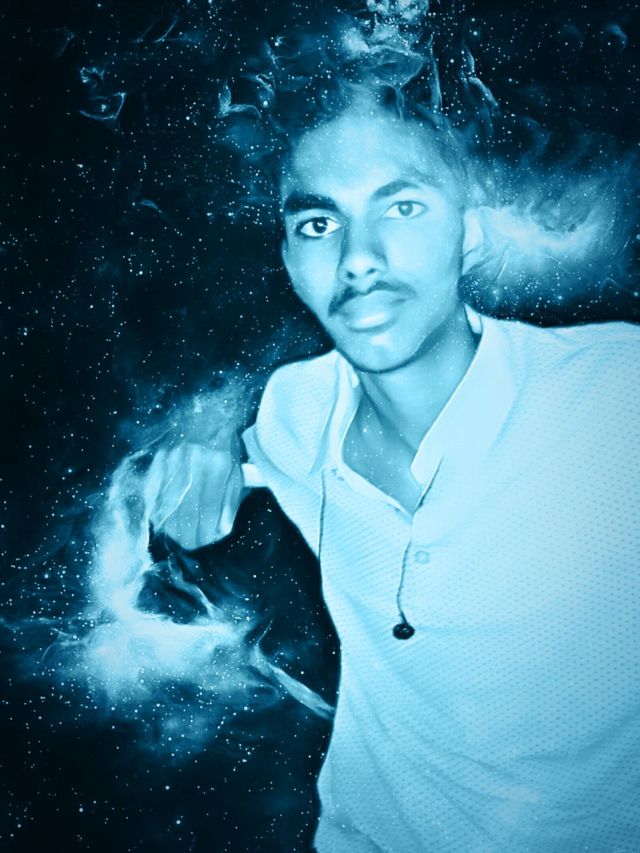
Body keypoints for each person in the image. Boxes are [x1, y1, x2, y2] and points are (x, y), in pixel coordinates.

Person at [147, 26, 640, 853]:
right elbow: (217, 457)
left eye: (401, 207)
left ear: (470, 233)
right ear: (289, 260)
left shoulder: (613, 394)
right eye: (318, 224)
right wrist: (198, 463)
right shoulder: (295, 411)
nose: (359, 259)